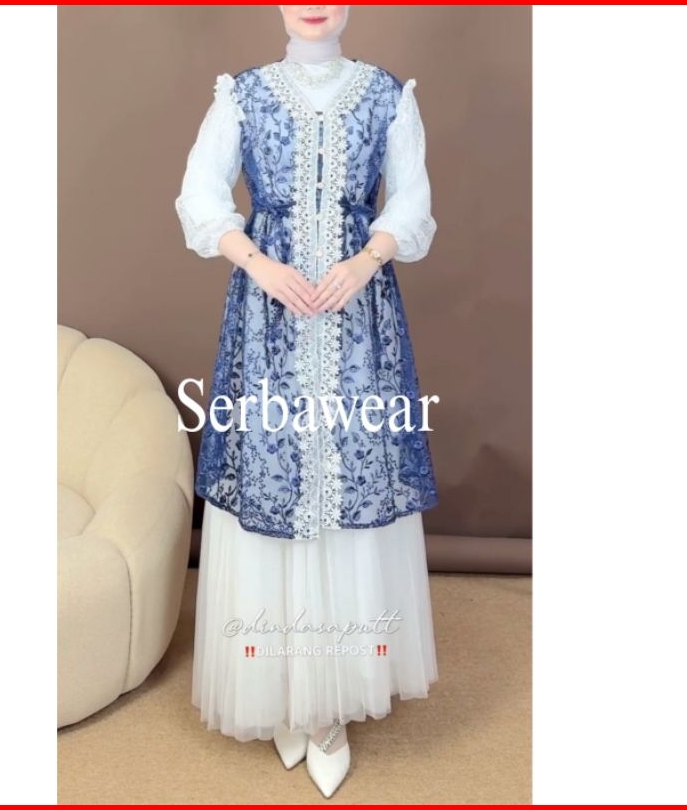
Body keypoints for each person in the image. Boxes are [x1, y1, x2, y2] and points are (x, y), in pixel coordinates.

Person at [175, 5, 440, 799]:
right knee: (276, 483)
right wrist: (259, 264)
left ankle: (329, 705)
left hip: (359, 321)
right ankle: (281, 688)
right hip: (270, 322)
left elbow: (412, 204)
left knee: (347, 486)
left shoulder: (388, 95)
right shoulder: (243, 94)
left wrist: (367, 260)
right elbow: (199, 198)